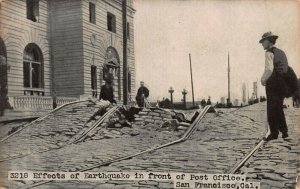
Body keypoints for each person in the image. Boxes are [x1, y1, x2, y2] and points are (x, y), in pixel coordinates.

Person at [259, 31, 288, 141]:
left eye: (263, 41)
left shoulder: (268, 53)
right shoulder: (281, 52)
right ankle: (284, 131)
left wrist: (263, 79)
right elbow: (285, 68)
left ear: (269, 41)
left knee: (271, 108)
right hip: (282, 83)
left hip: (273, 83)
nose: (262, 44)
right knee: (279, 107)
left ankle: (274, 133)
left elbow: (269, 69)